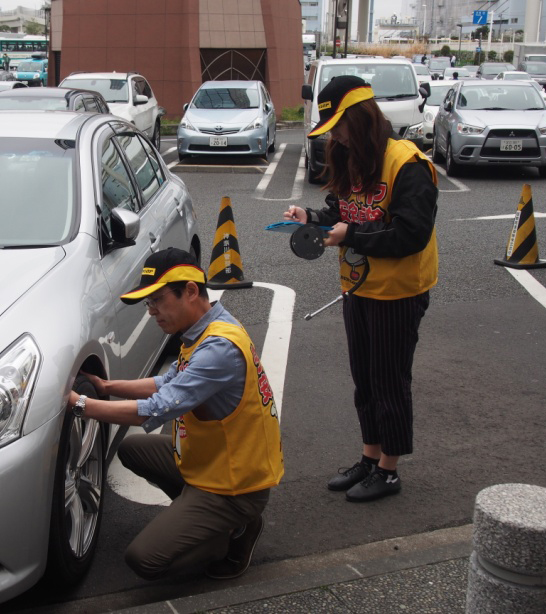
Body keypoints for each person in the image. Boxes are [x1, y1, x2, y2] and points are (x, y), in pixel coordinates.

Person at [68, 247, 284, 580]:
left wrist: (81, 404)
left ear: (191, 291)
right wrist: (107, 387)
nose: (151, 311)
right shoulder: (206, 326)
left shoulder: (219, 349)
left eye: (157, 300)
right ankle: (200, 517)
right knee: (131, 449)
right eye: (148, 303)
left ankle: (229, 533)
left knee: (144, 559)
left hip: (234, 485)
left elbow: (155, 409)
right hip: (212, 463)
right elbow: (168, 381)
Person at [283, 75, 438, 503]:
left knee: (389, 380)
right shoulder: (352, 159)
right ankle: (370, 459)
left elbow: (411, 234)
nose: (335, 136)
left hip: (400, 291)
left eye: (339, 125)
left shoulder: (407, 164)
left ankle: (389, 470)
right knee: (364, 380)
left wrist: (348, 236)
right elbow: (341, 211)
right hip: (359, 287)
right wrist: (311, 217)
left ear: (360, 117)